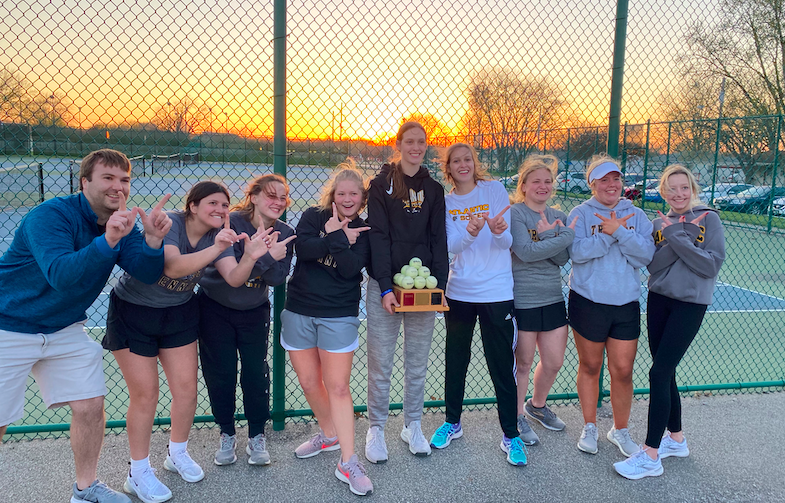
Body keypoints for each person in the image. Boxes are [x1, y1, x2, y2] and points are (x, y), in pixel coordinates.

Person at [0, 149, 171, 503]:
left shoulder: (121, 222)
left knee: (91, 406)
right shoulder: (49, 217)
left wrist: (153, 241)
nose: (118, 187)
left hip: (63, 328)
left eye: (124, 179)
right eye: (107, 178)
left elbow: (147, 271)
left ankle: (85, 488)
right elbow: (62, 275)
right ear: (84, 182)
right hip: (9, 326)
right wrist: (107, 240)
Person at [103, 181, 274, 503]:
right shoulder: (171, 222)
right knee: (146, 395)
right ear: (192, 205)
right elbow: (174, 266)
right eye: (213, 203)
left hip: (179, 312)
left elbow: (235, 278)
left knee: (186, 389)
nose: (221, 211)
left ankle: (177, 453)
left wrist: (250, 256)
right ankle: (137, 472)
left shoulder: (217, 235)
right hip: (134, 312)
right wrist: (216, 248)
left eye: (225, 205)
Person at [614, 164, 725, 479]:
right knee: (667, 370)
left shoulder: (709, 219)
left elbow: (709, 266)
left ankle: (650, 454)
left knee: (658, 372)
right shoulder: (656, 224)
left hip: (690, 304)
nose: (678, 194)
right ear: (663, 192)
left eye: (684, 188)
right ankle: (676, 439)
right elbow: (654, 264)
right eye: (672, 189)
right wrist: (677, 240)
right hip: (660, 300)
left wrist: (678, 239)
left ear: (692, 189)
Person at [426, 143, 527, 465]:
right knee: (456, 360)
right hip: (460, 292)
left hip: (497, 292)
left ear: (474, 162)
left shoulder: (494, 190)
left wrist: (498, 231)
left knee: (501, 365)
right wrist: (470, 231)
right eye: (456, 161)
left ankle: (511, 435)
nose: (463, 164)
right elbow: (451, 245)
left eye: (467, 159)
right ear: (449, 168)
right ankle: (451, 422)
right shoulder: (446, 202)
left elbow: (506, 240)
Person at [281, 161, 373, 495]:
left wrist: (338, 238)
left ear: (361, 198)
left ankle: (348, 461)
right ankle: (328, 435)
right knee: (308, 381)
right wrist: (335, 235)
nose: (348, 198)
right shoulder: (312, 216)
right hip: (300, 309)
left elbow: (349, 269)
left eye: (354, 194)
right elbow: (302, 250)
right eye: (342, 192)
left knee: (337, 387)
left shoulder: (364, 230)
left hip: (338, 314)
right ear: (332, 194)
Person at [364, 121, 449, 463]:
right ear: (398, 144)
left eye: (421, 142)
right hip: (384, 288)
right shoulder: (381, 185)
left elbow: (438, 240)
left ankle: (412, 425)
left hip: (421, 289)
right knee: (380, 364)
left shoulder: (434, 189)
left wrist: (439, 286)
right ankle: (376, 429)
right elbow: (378, 237)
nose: (416, 147)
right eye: (409, 141)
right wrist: (386, 286)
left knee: (416, 363)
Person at [198, 174, 295, 467]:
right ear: (253, 197)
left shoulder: (286, 231)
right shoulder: (232, 223)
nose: (277, 202)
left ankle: (256, 435)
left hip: (254, 310)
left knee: (255, 373)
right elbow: (233, 278)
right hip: (215, 307)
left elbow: (278, 278)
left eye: (282, 198)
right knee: (220, 373)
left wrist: (256, 258)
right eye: (271, 196)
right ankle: (226, 433)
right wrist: (263, 257)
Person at [567, 155, 655, 457]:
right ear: (592, 183)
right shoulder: (579, 214)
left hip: (625, 304)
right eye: (603, 179)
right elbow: (577, 253)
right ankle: (590, 426)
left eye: (616, 178)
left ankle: (620, 430)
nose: (611, 184)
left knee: (623, 370)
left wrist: (619, 230)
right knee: (590, 366)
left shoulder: (638, 216)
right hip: (587, 302)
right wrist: (608, 236)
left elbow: (645, 256)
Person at [509, 154, 577, 446]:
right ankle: (515, 418)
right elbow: (524, 252)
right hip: (523, 298)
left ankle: (536, 406)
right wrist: (564, 236)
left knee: (553, 361)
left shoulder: (558, 216)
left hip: (552, 297)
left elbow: (562, 259)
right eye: (536, 181)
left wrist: (556, 234)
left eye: (548, 181)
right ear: (523, 186)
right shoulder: (516, 214)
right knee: (523, 363)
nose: (543, 186)